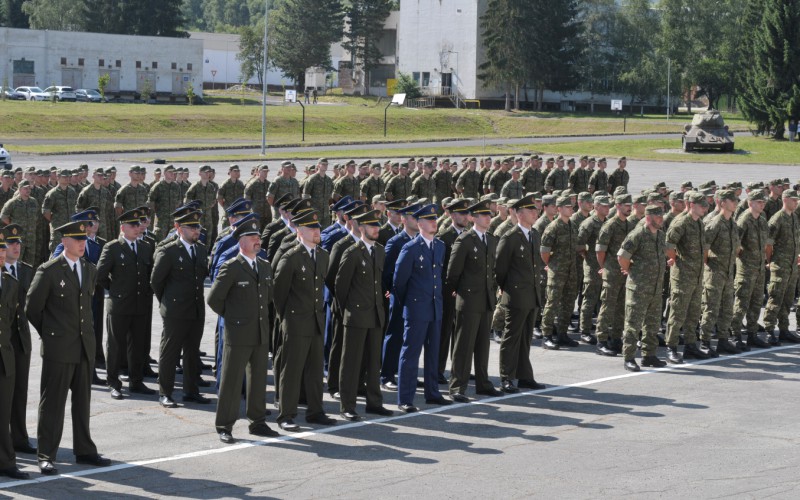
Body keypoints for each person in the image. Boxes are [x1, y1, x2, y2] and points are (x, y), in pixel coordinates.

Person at [26, 220, 111, 475]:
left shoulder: (89, 268)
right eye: (77, 239)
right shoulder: (49, 271)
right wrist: (52, 334)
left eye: (84, 239)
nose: (82, 244)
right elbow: (32, 308)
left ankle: (84, 450)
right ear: (64, 241)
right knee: (53, 403)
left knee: (82, 402)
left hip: (84, 346)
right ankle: (46, 454)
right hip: (59, 348)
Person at [207, 217, 279, 442]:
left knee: (257, 380)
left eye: (258, 236)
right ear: (241, 241)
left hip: (260, 332)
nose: (258, 240)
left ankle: (257, 422)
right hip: (238, 333)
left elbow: (268, 298)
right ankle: (224, 425)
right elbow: (214, 299)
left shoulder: (264, 266)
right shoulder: (232, 267)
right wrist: (234, 319)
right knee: (231, 381)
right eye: (253, 237)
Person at [273, 210, 337, 431]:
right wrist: (288, 319)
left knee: (315, 371)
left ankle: (315, 411)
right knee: (291, 370)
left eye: (318, 227)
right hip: (295, 322)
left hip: (316, 321)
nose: (317, 231)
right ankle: (286, 414)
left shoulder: (323, 255)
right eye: (311, 228)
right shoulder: (291, 257)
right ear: (299, 230)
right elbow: (278, 294)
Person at [334, 209, 394, 420]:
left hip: (375, 315)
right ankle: (347, 406)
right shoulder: (352, 252)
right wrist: (349, 311)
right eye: (372, 225)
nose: (376, 229)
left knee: (374, 362)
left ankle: (374, 402)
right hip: (357, 316)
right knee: (351, 363)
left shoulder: (379, 250)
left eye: (377, 225)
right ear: (361, 228)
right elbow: (340, 287)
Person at [393, 204, 452, 412]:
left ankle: (432, 393)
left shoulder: (440, 246)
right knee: (410, 354)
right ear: (419, 224)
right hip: (416, 309)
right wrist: (410, 303)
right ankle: (405, 399)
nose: (434, 223)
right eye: (429, 220)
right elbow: (399, 282)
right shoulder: (410, 248)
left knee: (433, 353)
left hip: (435, 308)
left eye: (435, 219)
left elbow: (439, 277)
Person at [150, 210, 210, 408]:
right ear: (179, 228)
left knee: (192, 352)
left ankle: (191, 391)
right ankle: (165, 392)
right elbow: (156, 281)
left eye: (198, 227)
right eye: (192, 227)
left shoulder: (201, 250)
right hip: (175, 310)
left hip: (196, 308)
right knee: (170, 352)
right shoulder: (168, 251)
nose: (196, 231)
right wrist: (167, 302)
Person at [445, 199, 503, 401]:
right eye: (484, 215)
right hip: (468, 300)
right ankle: (457, 387)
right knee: (464, 345)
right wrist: (457, 293)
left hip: (486, 299)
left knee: (482, 345)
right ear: (473, 218)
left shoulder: (491, 240)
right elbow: (452, 274)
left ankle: (483, 383)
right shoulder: (465, 241)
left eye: (489, 215)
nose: (488, 218)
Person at [96, 209, 157, 400]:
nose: (138, 228)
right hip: (120, 305)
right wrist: (116, 291)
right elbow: (100, 275)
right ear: (123, 228)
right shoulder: (113, 247)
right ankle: (113, 382)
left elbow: (150, 274)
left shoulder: (146, 246)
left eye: (139, 224)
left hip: (139, 305)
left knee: (138, 345)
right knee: (115, 346)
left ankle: (136, 381)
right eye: (133, 225)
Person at [495, 195, 546, 393]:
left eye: (535, 210)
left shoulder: (535, 235)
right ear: (519, 214)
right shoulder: (510, 237)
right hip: (516, 296)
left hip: (532, 295)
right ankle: (506, 377)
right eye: (531, 210)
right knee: (511, 337)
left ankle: (524, 376)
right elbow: (500, 269)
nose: (535, 213)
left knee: (526, 337)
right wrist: (507, 289)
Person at [617, 205, 668, 371]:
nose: (661, 219)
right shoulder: (637, 235)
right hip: (639, 288)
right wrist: (632, 270)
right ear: (648, 218)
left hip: (655, 288)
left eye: (661, 216)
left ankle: (649, 355)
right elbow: (622, 257)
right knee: (633, 324)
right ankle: (629, 357)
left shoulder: (660, 235)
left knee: (652, 324)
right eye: (657, 217)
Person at [2, 225, 36, 457]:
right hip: (3, 340)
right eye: (10, 243)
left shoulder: (26, 271)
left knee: (20, 390)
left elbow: (35, 305)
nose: (16, 247)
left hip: (21, 338)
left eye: (18, 243)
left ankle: (19, 438)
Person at [0, 230, 29, 479]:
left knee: (10, 401)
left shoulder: (12, 280)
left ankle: (8, 457)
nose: (4, 252)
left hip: (9, 349)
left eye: (4, 248)